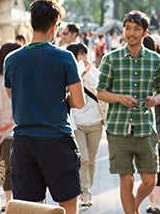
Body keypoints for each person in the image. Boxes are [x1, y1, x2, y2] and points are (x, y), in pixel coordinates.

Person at [4, 0, 84, 214]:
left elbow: (13, 95)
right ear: (55, 25)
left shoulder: (11, 59)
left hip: (24, 142)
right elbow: (79, 101)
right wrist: (60, 97)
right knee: (67, 206)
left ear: (31, 23)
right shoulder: (65, 58)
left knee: (29, 209)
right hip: (57, 140)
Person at [97, 11, 160, 214]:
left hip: (145, 128)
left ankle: (133, 206)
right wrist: (120, 98)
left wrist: (155, 99)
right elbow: (100, 92)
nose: (131, 33)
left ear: (145, 33)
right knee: (126, 178)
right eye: (128, 28)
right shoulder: (111, 59)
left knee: (149, 180)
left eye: (136, 29)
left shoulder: (155, 60)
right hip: (118, 128)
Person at [66, 42, 103, 209]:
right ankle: (85, 193)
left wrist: (86, 75)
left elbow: (100, 91)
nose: (83, 58)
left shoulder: (94, 72)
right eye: (79, 55)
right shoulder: (67, 75)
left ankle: (88, 188)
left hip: (96, 123)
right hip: (78, 124)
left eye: (84, 55)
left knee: (92, 161)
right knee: (84, 159)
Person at [0, 42, 21, 207]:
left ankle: (16, 202)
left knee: (17, 168)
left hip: (19, 127)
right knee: (8, 168)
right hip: (4, 129)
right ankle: (9, 202)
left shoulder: (18, 75)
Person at [142, 35, 160, 214]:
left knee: (147, 163)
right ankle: (155, 202)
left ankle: (152, 199)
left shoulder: (149, 64)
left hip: (147, 122)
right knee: (159, 161)